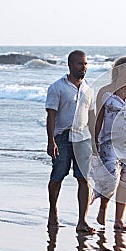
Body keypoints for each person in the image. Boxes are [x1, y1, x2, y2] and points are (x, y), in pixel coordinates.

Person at [45, 50, 95, 233]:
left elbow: (91, 117)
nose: (84, 67)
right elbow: (51, 116)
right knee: (57, 176)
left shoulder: (89, 88)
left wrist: (95, 142)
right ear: (70, 65)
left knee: (84, 179)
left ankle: (82, 221)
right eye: (80, 64)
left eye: (86, 64)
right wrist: (51, 141)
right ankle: (53, 211)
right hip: (62, 138)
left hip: (83, 139)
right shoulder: (57, 87)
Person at [94, 56, 126, 231]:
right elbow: (99, 118)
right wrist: (95, 142)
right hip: (109, 143)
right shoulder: (105, 91)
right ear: (120, 70)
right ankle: (103, 207)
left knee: (125, 182)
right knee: (112, 179)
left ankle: (119, 220)